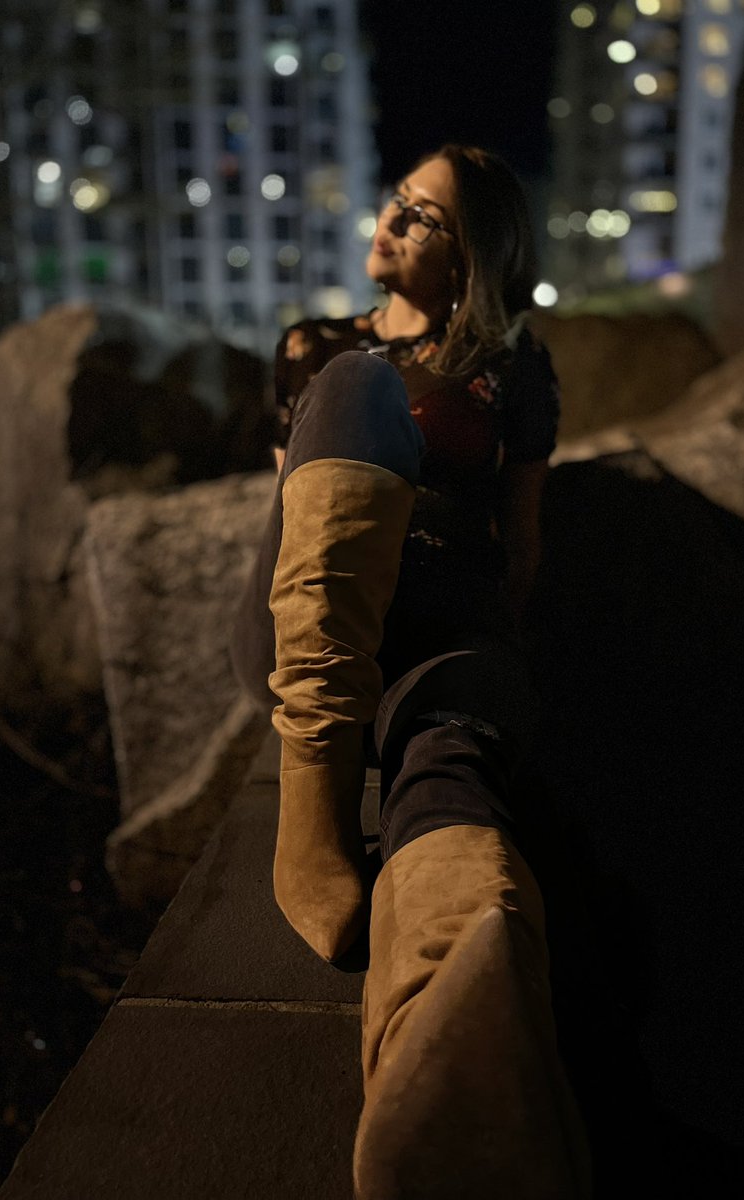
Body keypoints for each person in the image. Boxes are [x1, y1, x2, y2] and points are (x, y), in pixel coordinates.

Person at [231, 145, 591, 1197]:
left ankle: (458, 1047)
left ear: (473, 254)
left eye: (423, 216)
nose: (389, 220)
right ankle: (312, 811)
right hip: (313, 632)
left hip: (442, 622)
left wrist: (497, 650)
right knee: (358, 386)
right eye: (396, 201)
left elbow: (521, 538)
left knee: (452, 748)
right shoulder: (318, 347)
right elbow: (290, 523)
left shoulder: (513, 364)